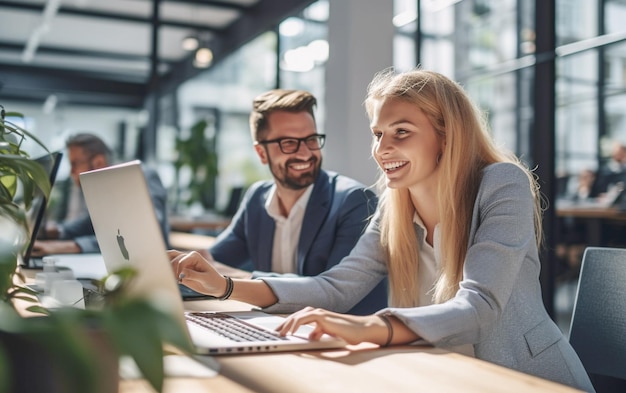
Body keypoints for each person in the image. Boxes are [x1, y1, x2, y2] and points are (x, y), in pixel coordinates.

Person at [169, 69, 594, 391]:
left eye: (401, 133)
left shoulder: (502, 184)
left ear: (446, 136)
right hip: (444, 373)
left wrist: (370, 327)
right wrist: (225, 286)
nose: (381, 149)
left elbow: (479, 306)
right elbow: (336, 288)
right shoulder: (395, 203)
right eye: (377, 134)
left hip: (525, 377)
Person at [201, 89, 385, 315]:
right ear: (261, 153)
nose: (306, 153)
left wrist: (234, 281)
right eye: (289, 143)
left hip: (341, 338)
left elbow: (329, 294)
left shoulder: (355, 201)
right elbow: (213, 262)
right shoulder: (257, 198)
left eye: (311, 139)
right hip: (277, 329)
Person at [33, 133, 169, 255]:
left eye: (74, 164)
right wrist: (56, 230)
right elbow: (90, 223)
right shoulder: (101, 186)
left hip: (151, 267)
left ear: (98, 162)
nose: (71, 172)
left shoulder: (140, 177)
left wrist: (69, 246)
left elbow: (141, 231)